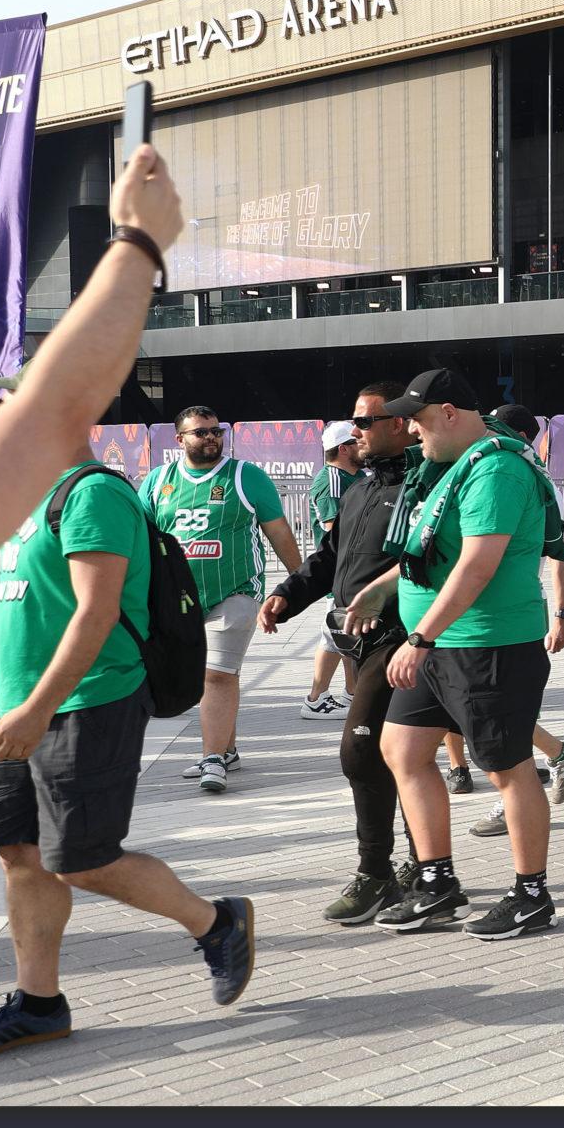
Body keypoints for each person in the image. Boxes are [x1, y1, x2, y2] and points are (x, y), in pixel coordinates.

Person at [0, 145, 235, 1093]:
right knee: (20, 853)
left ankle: (216, 923)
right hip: (10, 704)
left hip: (81, 700)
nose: (2, 419)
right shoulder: (16, 506)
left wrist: (34, 709)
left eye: (12, 406)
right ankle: (40, 1000)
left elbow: (96, 617)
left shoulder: (91, 492)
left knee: (84, 857)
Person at [366, 368, 564, 939]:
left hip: (487, 644)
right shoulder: (450, 467)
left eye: (419, 418)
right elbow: (430, 550)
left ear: (450, 413)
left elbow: (477, 564)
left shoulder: (497, 469)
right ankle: (437, 883)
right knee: (402, 749)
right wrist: (379, 590)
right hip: (441, 643)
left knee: (507, 768)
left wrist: (419, 636)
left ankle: (532, 894)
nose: (410, 429)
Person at [261, 382, 430, 922]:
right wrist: (288, 594)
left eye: (364, 421)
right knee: (397, 756)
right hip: (357, 644)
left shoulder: (424, 487)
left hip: (403, 641)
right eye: (353, 422)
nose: (353, 430)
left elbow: (431, 561)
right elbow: (333, 556)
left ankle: (381, 872)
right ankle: (420, 867)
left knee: (361, 752)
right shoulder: (357, 487)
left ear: (399, 425)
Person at [140, 406, 303, 793]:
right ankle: (226, 749)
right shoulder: (157, 481)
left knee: (217, 673)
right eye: (201, 432)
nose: (211, 437)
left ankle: (211, 758)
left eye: (216, 431)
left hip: (236, 591)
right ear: (180, 440)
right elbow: (141, 540)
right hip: (177, 599)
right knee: (203, 675)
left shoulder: (246, 477)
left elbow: (279, 533)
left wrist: (301, 584)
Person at [453, 401, 564, 832]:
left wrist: (563, 616)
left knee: (496, 717)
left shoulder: (520, 478)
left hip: (509, 620)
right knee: (482, 712)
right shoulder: (478, 472)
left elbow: (557, 556)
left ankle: (519, 790)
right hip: (467, 620)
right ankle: (557, 756)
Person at [300, 418, 364, 719]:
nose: (362, 443)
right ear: (343, 449)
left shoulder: (357, 475)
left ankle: (353, 694)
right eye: (356, 441)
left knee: (349, 632)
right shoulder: (332, 479)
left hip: (354, 568)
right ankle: (315, 698)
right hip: (341, 568)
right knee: (334, 633)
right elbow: (334, 528)